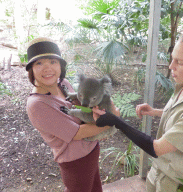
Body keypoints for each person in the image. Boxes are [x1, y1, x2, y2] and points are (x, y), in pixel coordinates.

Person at [92, 29, 183, 192]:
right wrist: (156, 111)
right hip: (159, 172)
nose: (171, 66)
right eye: (172, 58)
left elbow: (157, 148)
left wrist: (116, 122)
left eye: (180, 62)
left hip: (179, 184)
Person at [25, 37, 119, 192]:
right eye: (39, 63)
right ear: (31, 69)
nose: (48, 68)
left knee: (95, 188)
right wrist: (112, 119)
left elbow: (85, 107)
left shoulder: (63, 84)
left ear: (60, 65)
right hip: (76, 161)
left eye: (53, 62)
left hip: (91, 149)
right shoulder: (37, 105)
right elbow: (78, 132)